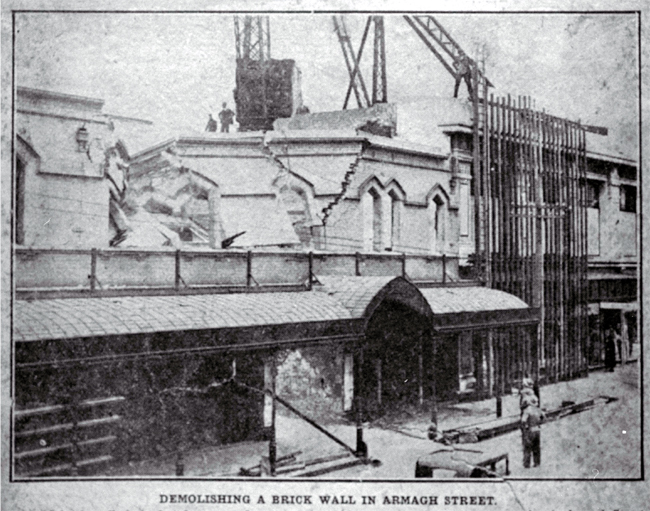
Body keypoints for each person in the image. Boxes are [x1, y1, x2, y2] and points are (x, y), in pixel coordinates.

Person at [520, 395, 545, 468]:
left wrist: (524, 429)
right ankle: (537, 462)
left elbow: (523, 421)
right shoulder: (538, 409)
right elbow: (543, 417)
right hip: (537, 429)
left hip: (530, 430)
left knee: (527, 447)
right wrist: (539, 423)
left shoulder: (527, 410)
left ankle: (527, 464)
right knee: (536, 447)